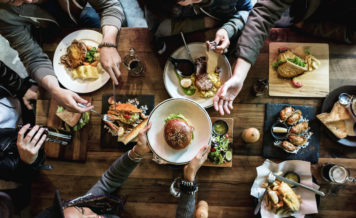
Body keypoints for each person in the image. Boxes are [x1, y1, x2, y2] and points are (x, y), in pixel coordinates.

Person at [35, 122, 211, 218]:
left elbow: (108, 181)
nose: (93, 217)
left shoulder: (86, 206)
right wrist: (188, 179)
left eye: (82, 211)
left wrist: (137, 153)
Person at [213, 0, 356, 115]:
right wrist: (239, 75)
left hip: (334, 39)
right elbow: (264, 14)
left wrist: (309, 27)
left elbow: (351, 34)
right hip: (295, 14)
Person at [0, 0, 126, 113]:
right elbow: (32, 56)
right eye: (12, 1)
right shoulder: (3, 14)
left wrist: (108, 43)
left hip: (82, 11)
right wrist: (55, 89)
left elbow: (110, 5)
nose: (28, 0)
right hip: (50, 28)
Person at [0, 60, 48, 215]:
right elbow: (21, 174)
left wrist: (21, 88)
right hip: (33, 146)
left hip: (24, 99)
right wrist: (28, 161)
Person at [140, 0, 255, 55]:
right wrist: (202, 23)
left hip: (227, 35)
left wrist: (228, 29)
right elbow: (157, 28)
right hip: (178, 42)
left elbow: (249, 10)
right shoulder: (158, 4)